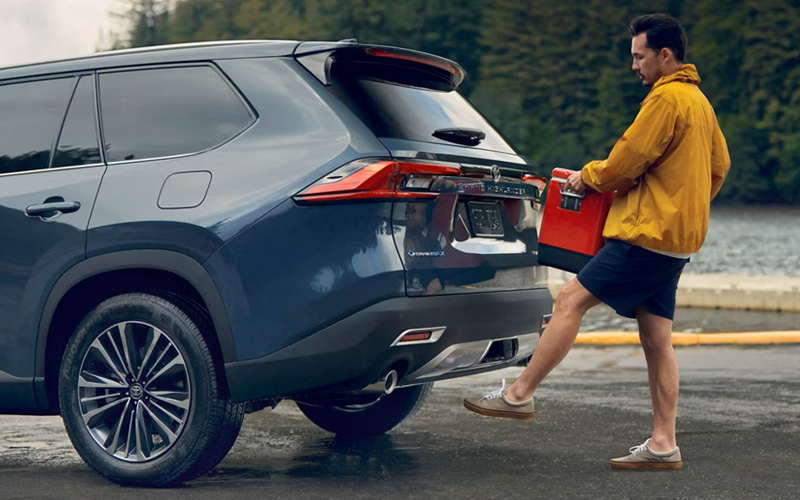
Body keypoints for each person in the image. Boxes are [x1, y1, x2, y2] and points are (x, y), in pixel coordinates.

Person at [463, 13, 730, 470]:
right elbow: (719, 166)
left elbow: (627, 159)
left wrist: (588, 178)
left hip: (646, 236)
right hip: (676, 242)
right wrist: (685, 207)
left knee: (570, 299)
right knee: (656, 339)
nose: (634, 66)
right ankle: (664, 445)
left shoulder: (665, 99)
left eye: (639, 56)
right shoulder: (699, 102)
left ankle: (518, 394)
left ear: (665, 56)